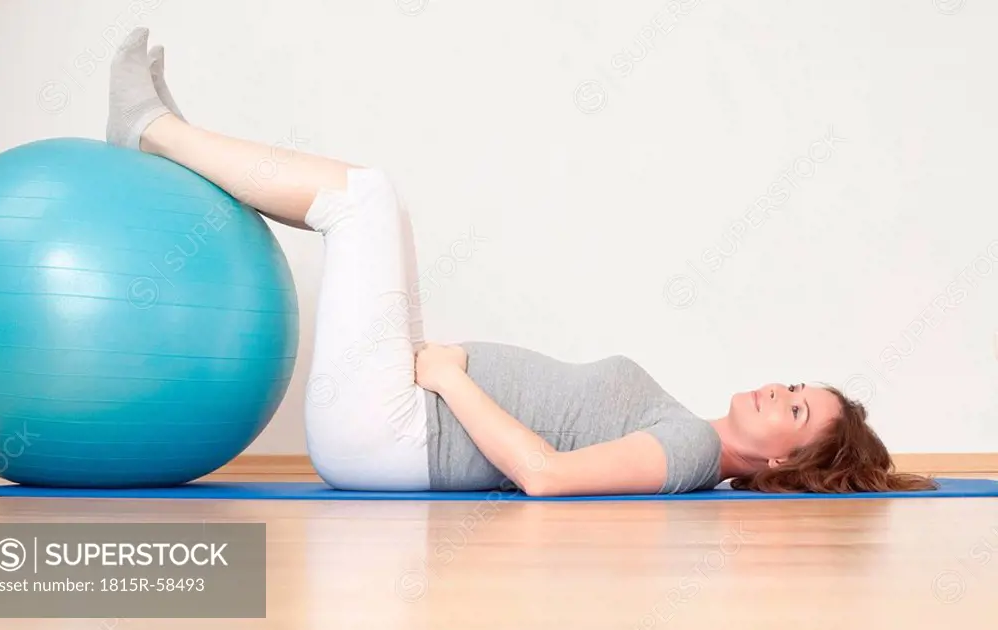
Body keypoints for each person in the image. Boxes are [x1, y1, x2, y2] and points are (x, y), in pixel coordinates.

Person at [106, 29, 935, 497]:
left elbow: (545, 477)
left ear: (784, 460)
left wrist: (453, 375)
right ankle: (172, 140)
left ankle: (152, 133)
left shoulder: (687, 450)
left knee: (366, 198)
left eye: (794, 411)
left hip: (395, 432)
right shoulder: (686, 426)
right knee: (382, 209)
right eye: (794, 385)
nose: (777, 391)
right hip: (403, 411)